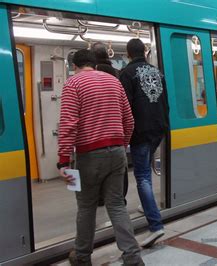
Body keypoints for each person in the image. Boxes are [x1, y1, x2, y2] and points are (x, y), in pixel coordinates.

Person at [57, 49, 143, 266]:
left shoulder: (73, 84)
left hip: (88, 155)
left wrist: (63, 160)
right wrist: (122, 146)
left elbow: (68, 124)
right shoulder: (114, 82)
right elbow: (129, 120)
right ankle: (133, 257)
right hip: (117, 152)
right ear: (94, 64)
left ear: (74, 66)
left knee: (86, 206)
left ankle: (82, 256)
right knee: (116, 205)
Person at [119, 39, 168, 248]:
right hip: (159, 128)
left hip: (140, 130)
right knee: (146, 171)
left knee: (142, 177)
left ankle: (155, 225)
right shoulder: (158, 72)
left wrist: (123, 134)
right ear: (145, 52)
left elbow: (125, 106)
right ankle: (147, 205)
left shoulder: (127, 73)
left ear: (129, 53)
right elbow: (165, 102)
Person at [92, 42, 129, 208]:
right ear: (108, 55)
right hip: (117, 128)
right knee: (119, 169)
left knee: (97, 169)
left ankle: (100, 198)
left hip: (97, 129)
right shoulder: (117, 73)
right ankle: (120, 197)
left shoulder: (92, 74)